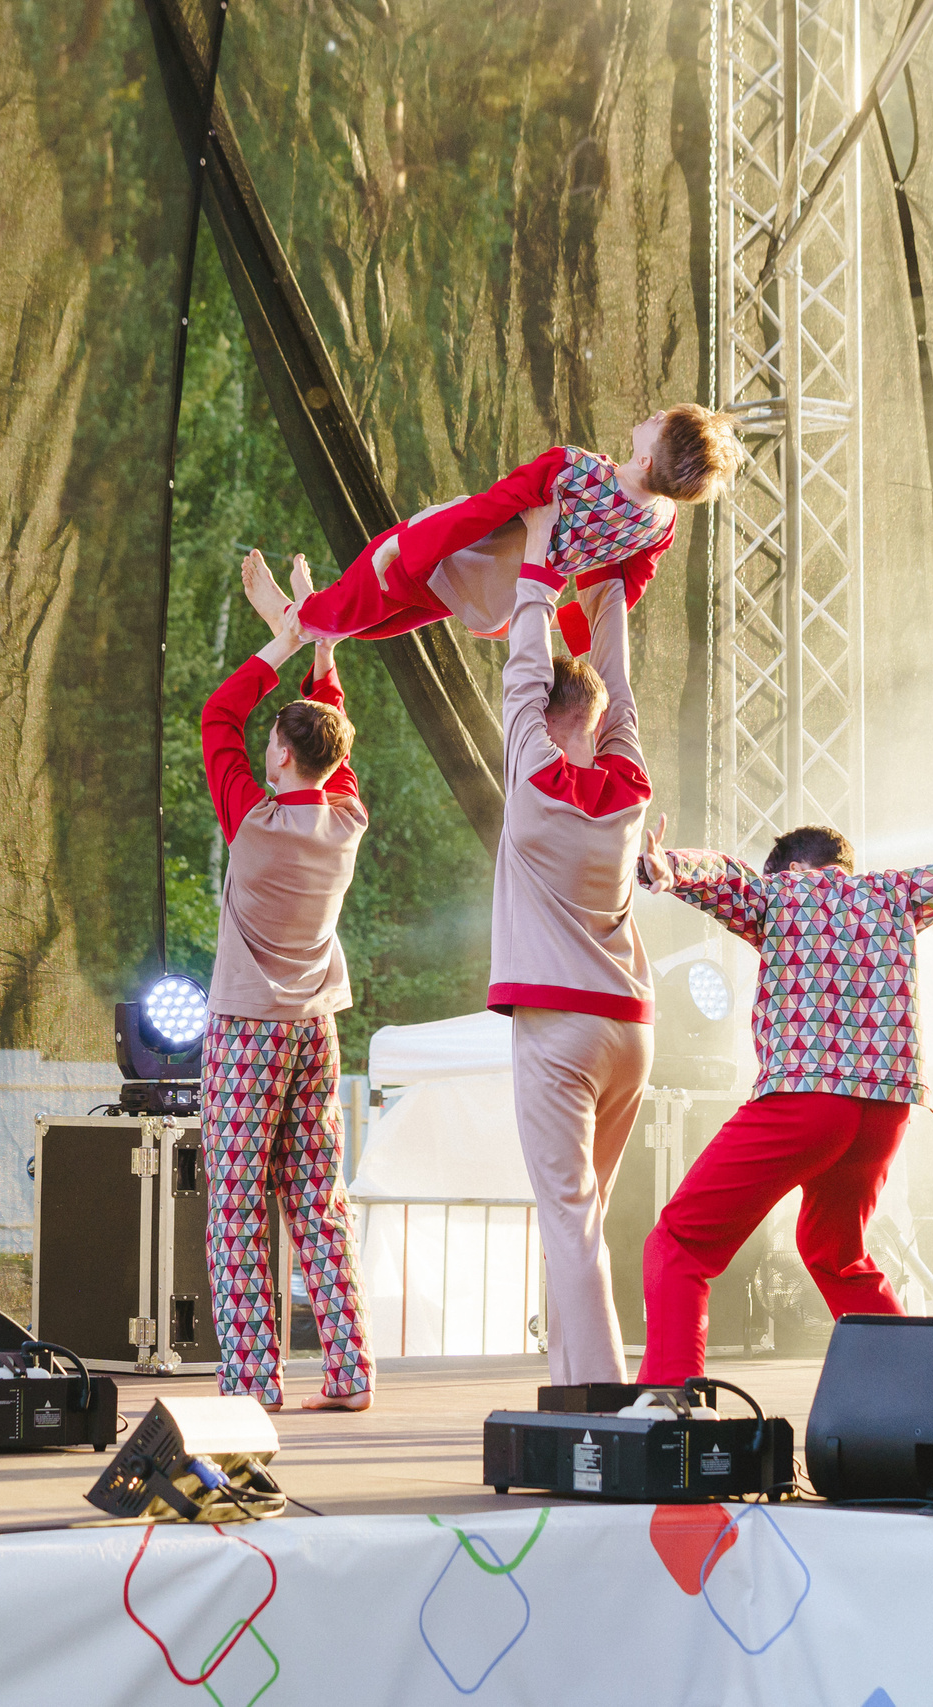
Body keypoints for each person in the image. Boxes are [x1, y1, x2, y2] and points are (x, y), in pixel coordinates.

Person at [631, 719, 933, 1384]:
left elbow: (720, 874)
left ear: (792, 868)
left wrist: (668, 869)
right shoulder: (895, 894)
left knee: (681, 1241)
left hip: (807, 1101)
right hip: (884, 1114)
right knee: (834, 1251)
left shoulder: (780, 892)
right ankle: (919, 1395)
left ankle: (669, 1397)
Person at [195, 553, 373, 1412]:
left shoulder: (255, 822)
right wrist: (322, 648)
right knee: (317, 1197)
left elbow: (217, 714)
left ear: (280, 754)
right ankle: (350, 1370)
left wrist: (288, 640)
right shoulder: (345, 818)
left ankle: (252, 1379)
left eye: (273, 740)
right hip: (314, 1028)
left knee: (236, 1205)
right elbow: (331, 738)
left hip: (247, 1028)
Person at [489, 504, 657, 1386]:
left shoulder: (531, 781)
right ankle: (568, 1387)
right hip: (631, 1027)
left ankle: (598, 1397)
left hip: (560, 1028)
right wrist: (612, 584)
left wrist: (535, 554)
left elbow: (523, 672)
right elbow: (616, 685)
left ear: (543, 717)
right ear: (594, 720)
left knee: (570, 1219)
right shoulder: (629, 783)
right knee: (583, 1218)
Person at [248, 407, 742, 647]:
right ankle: (320, 624)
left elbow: (487, 509)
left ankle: (292, 620)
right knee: (383, 621)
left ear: (647, 458)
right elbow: (619, 596)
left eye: (661, 420)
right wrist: (544, 619)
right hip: (494, 601)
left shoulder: (571, 468)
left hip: (453, 557)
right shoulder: (659, 524)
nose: (656, 413)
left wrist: (406, 545)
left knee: (363, 589)